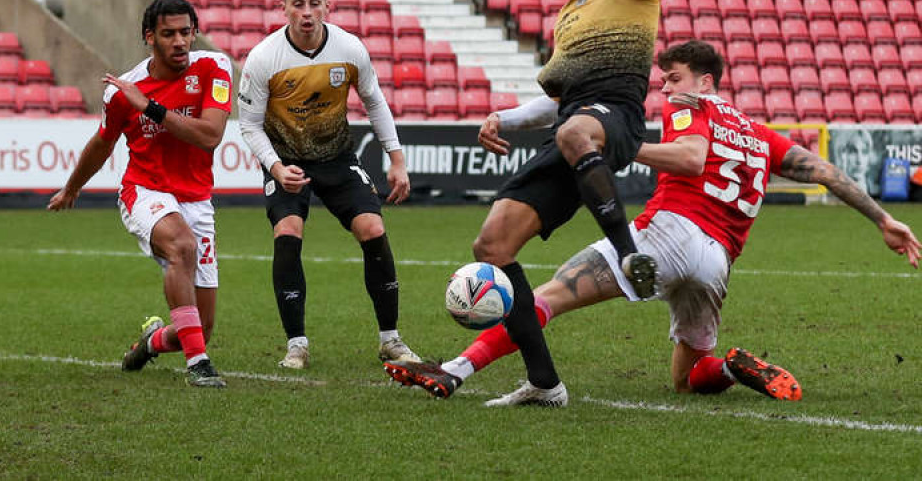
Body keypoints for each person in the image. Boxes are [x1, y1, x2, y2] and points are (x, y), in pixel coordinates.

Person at [385, 40, 920, 405]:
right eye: (664, 80)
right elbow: (822, 170)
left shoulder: (692, 108)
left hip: (669, 233)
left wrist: (620, 143)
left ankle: (455, 370)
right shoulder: (759, 132)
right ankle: (732, 369)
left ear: (705, 81)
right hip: (716, 264)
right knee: (687, 380)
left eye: (676, 77)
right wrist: (884, 218)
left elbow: (688, 158)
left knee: (545, 298)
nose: (667, 87)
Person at [387, 0, 706, 406]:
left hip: (616, 118)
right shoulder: (568, 17)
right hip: (570, 130)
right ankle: (544, 382)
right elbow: (558, 102)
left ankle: (628, 253)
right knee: (492, 244)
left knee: (577, 130)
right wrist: (502, 118)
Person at [48, 0, 235, 388]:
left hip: (196, 197)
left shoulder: (214, 67)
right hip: (145, 190)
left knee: (200, 326)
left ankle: (152, 341)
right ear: (150, 37)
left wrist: (150, 108)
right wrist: (71, 187)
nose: (180, 41)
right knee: (180, 246)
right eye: (169, 34)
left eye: (186, 32)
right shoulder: (123, 90)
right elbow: (102, 143)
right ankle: (199, 365)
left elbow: (211, 136)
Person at [237, 0, 419, 370]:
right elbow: (249, 124)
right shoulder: (264, 58)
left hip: (337, 158)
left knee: (373, 229)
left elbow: (375, 102)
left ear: (327, 5)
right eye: (298, 4)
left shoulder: (349, 48)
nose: (307, 12)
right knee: (289, 231)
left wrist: (397, 159)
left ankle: (391, 339)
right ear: (283, 7)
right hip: (286, 161)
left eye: (314, 3)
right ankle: (296, 344)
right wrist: (275, 167)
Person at [831, 128, 878, 197]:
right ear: (843, 155)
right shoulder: (834, 187)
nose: (859, 160)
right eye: (853, 152)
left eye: (864, 152)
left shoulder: (874, 188)